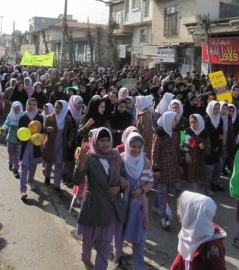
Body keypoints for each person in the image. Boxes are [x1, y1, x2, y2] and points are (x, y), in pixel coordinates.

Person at [74, 128, 123, 270]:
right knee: (88, 239)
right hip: (93, 206)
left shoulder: (116, 157)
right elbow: (77, 181)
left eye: (108, 140)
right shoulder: (90, 157)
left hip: (110, 207)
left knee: (105, 244)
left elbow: (123, 179)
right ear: (96, 141)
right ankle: (85, 257)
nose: (106, 144)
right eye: (102, 141)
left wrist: (118, 188)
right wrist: (80, 163)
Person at [115, 132, 153, 269]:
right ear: (127, 145)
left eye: (139, 147)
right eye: (133, 146)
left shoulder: (146, 162)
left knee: (140, 237)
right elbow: (114, 176)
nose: (136, 150)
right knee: (119, 232)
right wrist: (121, 180)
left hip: (138, 206)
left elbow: (150, 182)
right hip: (123, 203)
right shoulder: (121, 159)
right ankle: (118, 257)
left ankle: (138, 266)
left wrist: (142, 191)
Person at [170, 191, 226, 270]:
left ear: (193, 213)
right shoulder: (188, 231)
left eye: (180, 209)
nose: (177, 212)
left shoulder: (213, 246)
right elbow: (183, 254)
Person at [152, 111, 181, 229]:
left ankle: (156, 206)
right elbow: (154, 153)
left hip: (172, 166)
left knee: (164, 189)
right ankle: (164, 217)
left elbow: (177, 151)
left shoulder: (174, 134)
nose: (176, 122)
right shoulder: (159, 135)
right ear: (168, 121)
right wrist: (156, 168)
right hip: (163, 167)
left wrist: (179, 164)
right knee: (162, 190)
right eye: (174, 119)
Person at [42, 100, 73, 194]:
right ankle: (47, 176)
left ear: (63, 108)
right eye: (56, 107)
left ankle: (56, 185)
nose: (57, 110)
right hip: (51, 144)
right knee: (49, 162)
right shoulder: (49, 118)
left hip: (61, 144)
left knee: (59, 164)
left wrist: (69, 141)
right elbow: (43, 129)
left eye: (59, 108)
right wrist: (46, 129)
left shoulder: (67, 119)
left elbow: (71, 131)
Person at [18, 98, 43, 202]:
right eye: (30, 104)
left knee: (33, 165)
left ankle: (31, 180)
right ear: (27, 105)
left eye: (34, 104)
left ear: (36, 106)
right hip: (25, 146)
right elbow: (19, 132)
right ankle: (23, 190)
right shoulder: (23, 117)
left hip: (35, 146)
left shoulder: (39, 117)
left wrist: (47, 130)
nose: (31, 106)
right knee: (24, 166)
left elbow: (41, 130)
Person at [182, 114, 208, 193]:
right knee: (190, 179)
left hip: (200, 161)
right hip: (189, 160)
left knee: (198, 179)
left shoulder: (204, 133)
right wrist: (186, 154)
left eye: (195, 122)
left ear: (199, 122)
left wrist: (203, 148)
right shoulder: (186, 132)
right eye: (191, 122)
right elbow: (182, 145)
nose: (193, 124)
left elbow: (208, 150)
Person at [1, 101, 24, 178]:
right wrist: (4, 128)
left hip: (18, 138)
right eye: (15, 109)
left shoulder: (23, 116)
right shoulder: (10, 115)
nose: (17, 110)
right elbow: (6, 123)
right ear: (13, 109)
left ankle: (15, 169)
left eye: (18, 109)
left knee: (16, 154)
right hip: (10, 137)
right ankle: (10, 163)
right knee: (10, 152)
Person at [135, 95, 154, 161]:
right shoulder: (142, 114)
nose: (136, 104)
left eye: (138, 102)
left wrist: (141, 143)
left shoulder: (145, 115)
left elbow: (145, 132)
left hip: (145, 143)